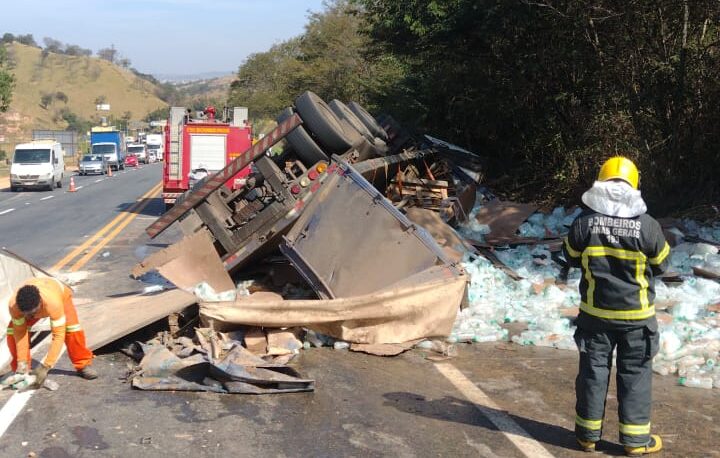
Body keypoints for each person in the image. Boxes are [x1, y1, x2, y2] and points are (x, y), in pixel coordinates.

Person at [563, 157, 669, 456]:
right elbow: (662, 264)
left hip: (595, 316)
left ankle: (586, 437)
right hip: (637, 319)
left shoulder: (583, 222)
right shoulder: (647, 226)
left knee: (592, 374)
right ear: (634, 184)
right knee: (635, 375)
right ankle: (635, 442)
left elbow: (570, 255)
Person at [5, 277, 97, 388]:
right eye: (26, 314)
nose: (29, 317)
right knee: (12, 333)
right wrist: (22, 362)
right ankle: (21, 371)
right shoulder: (14, 306)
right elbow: (20, 334)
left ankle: (83, 365)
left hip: (60, 295)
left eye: (32, 314)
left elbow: (58, 335)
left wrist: (46, 366)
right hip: (34, 303)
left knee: (72, 330)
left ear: (40, 303)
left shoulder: (53, 303)